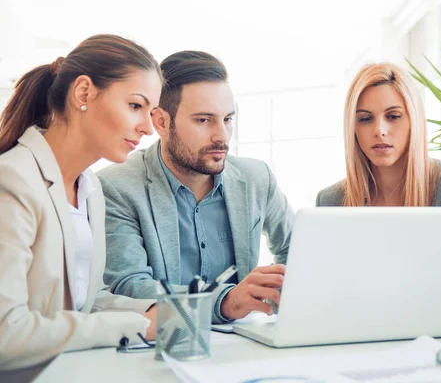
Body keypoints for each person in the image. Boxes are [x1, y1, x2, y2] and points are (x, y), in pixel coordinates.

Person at [0, 34, 162, 375]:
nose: (148, 128)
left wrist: (158, 310)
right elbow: (6, 333)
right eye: (135, 106)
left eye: (151, 112)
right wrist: (137, 326)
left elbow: (82, 302)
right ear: (83, 93)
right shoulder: (12, 181)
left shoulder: (90, 189)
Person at [98, 51, 294, 324]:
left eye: (227, 119)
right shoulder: (117, 186)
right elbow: (131, 286)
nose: (221, 137)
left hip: (246, 342)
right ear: (162, 122)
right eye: (204, 120)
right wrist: (225, 301)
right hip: (167, 344)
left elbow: (297, 253)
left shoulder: (256, 177)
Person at [316, 62, 441, 315]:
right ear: (353, 128)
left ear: (414, 120)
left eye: (393, 116)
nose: (379, 131)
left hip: (436, 342)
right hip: (359, 341)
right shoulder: (331, 200)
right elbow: (325, 294)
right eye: (365, 119)